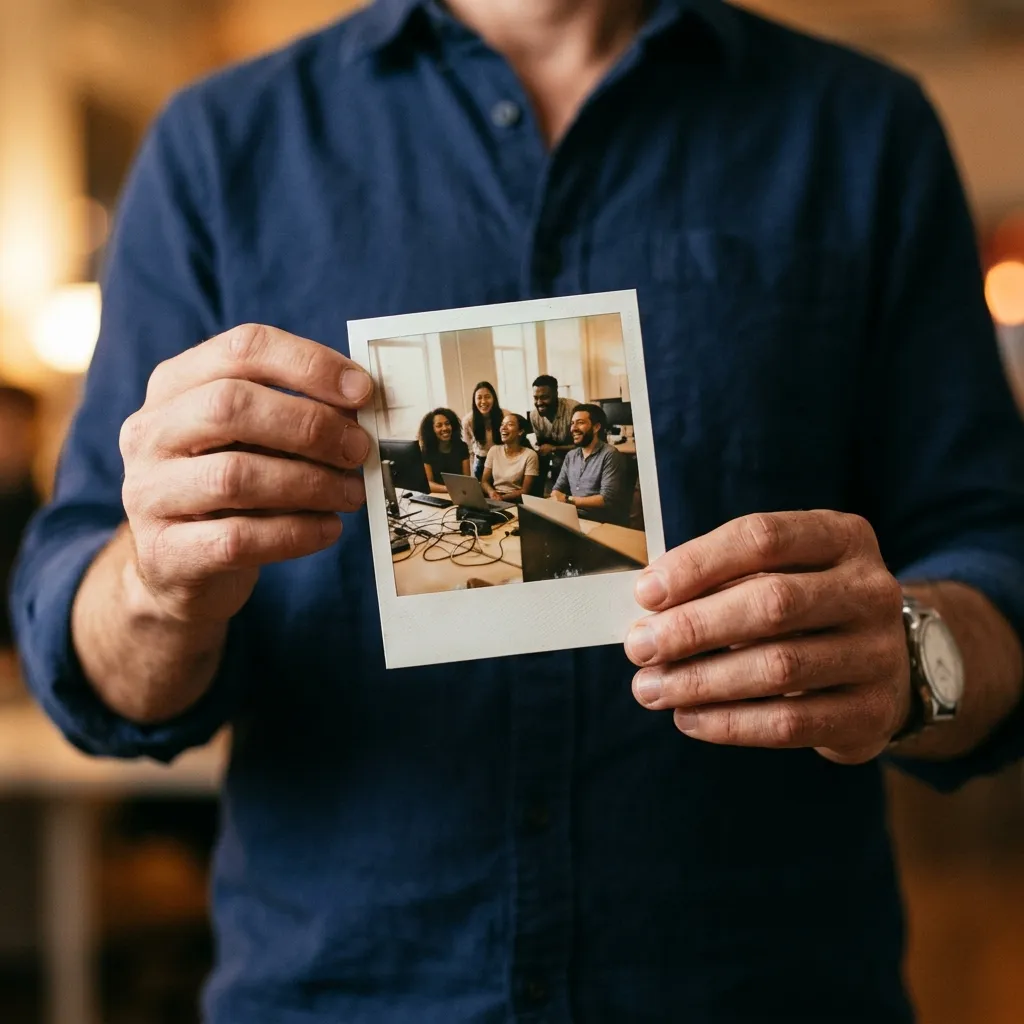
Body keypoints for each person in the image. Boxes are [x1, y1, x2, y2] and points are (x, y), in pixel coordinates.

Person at [10, 1, 1024, 1021]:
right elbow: (80, 630)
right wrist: (152, 579)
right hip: (341, 995)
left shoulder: (861, 130)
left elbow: (998, 561)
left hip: (765, 988)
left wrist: (912, 658)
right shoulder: (218, 146)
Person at [550, 404, 629, 524]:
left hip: (600, 521)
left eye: (580, 422)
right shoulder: (571, 456)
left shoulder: (610, 454)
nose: (573, 428)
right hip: (574, 516)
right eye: (572, 423)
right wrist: (555, 496)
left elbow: (606, 499)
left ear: (596, 427)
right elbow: (557, 488)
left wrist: (568, 500)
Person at [527, 374, 578, 490]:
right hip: (557, 464)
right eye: (536, 398)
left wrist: (554, 448)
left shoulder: (574, 410)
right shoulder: (534, 415)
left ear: (556, 394)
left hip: (577, 463)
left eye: (544, 397)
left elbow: (583, 447)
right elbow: (544, 446)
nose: (539, 402)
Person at [481, 413, 539, 502]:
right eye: (502, 424)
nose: (503, 428)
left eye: (510, 424)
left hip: (516, 500)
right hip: (494, 497)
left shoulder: (530, 455)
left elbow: (525, 490)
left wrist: (502, 498)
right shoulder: (494, 450)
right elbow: (484, 481)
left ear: (520, 431)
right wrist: (492, 493)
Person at [461, 380, 508, 479]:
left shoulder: (506, 416)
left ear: (494, 398)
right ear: (474, 401)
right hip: (481, 463)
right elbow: (469, 451)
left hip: (504, 461)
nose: (483, 402)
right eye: (479, 398)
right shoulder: (468, 421)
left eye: (487, 397)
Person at [417, 407, 470, 493]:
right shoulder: (427, 450)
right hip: (438, 495)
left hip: (460, 494)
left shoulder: (462, 447)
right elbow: (428, 483)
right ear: (432, 430)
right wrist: (449, 489)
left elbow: (467, 479)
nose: (445, 428)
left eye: (447, 424)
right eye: (439, 426)